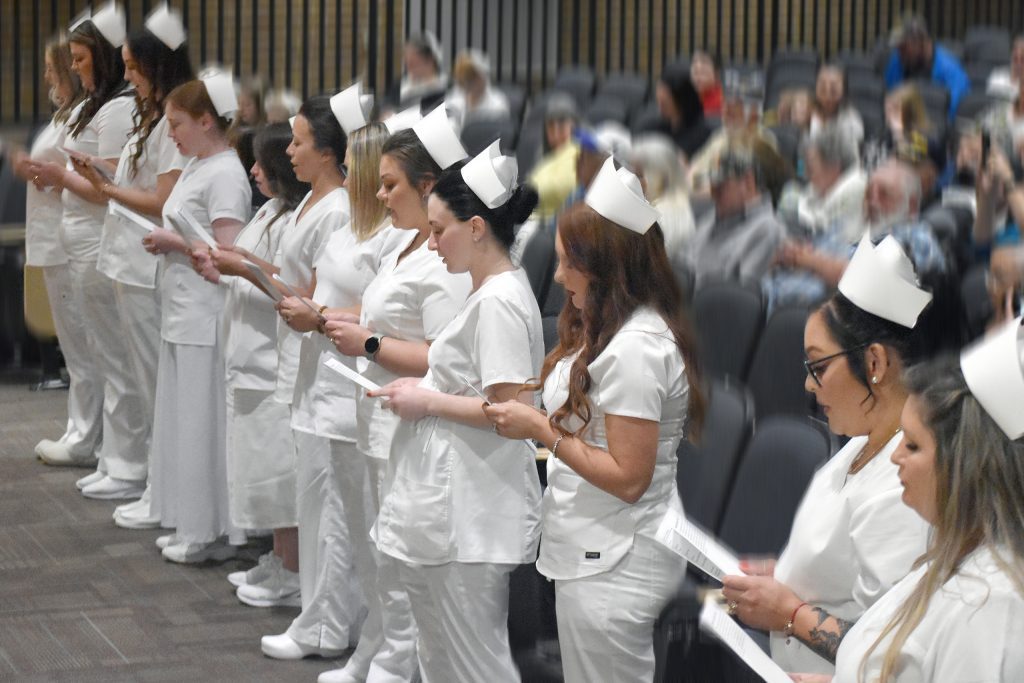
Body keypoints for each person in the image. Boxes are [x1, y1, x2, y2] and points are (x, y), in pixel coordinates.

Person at [483, 156, 704, 683]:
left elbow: (629, 478)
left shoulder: (637, 350)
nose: (556, 276)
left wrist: (543, 433)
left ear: (606, 267)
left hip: (620, 559)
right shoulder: (605, 325)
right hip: (595, 543)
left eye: (566, 263)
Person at [365, 142, 543, 682]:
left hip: (471, 514)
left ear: (477, 228)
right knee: (439, 657)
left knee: (474, 665)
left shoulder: (500, 302)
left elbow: (515, 411)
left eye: (440, 230)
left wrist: (428, 398)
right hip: (451, 502)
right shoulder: (485, 292)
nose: (433, 243)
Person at [722, 235, 936, 675]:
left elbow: (890, 651)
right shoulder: (860, 441)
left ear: (874, 364)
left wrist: (789, 613)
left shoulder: (907, 481)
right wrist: (782, 575)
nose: (808, 385)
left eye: (818, 367)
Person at [321, 108, 472, 682]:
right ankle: (379, 651)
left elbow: (442, 355)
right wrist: (331, 317)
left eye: (390, 185)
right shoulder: (404, 245)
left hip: (411, 421)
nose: (380, 197)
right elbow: (377, 313)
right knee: (376, 548)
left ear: (427, 187)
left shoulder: (446, 261)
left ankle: (398, 663)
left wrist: (369, 343)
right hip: (380, 413)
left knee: (403, 559)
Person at [803, 321, 1024, 681]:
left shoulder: (993, 604)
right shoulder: (950, 552)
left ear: (965, 466)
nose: (894, 457)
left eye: (914, 445)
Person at [71, 5, 193, 524]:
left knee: (152, 382)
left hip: (147, 263)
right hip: (126, 259)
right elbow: (137, 176)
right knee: (138, 376)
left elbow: (162, 198)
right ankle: (149, 477)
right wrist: (103, 168)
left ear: (156, 66)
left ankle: (154, 479)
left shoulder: (173, 119)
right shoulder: (150, 114)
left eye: (134, 67)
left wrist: (107, 189)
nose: (127, 76)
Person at [258, 94, 363, 660]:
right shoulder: (317, 207)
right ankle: (318, 616)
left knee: (331, 506)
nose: (289, 151)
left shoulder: (343, 211)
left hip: (335, 370)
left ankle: (325, 621)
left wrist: (308, 308)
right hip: (312, 361)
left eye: (299, 142)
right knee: (317, 499)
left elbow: (335, 297)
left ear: (329, 151)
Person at [143, 72, 252, 563]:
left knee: (201, 423)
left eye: (178, 123)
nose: (172, 135)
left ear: (207, 121)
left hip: (205, 314)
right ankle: (191, 519)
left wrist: (176, 242)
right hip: (182, 308)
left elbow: (231, 255)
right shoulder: (197, 165)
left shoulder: (226, 173)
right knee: (184, 419)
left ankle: (208, 529)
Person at [28, 8, 136, 496]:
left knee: (112, 356)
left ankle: (126, 460)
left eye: (81, 59)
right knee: (96, 352)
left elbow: (105, 187)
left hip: (96, 239)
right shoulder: (93, 106)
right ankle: (113, 454)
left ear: (105, 58)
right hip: (77, 238)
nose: (74, 69)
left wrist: (61, 176)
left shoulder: (116, 109)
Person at [206, 122, 308, 604]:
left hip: (270, 357)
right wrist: (226, 263)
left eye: (261, 164)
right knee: (257, 470)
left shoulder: (295, 220)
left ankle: (293, 567)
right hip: (246, 353)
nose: (252, 171)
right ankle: (278, 557)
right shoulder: (270, 210)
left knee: (276, 475)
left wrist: (240, 265)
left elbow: (288, 284)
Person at [10, 36, 88, 467]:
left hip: (67, 239)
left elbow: (82, 178)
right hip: (53, 237)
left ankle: (85, 435)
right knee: (75, 347)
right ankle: (80, 428)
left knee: (81, 348)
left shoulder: (78, 117)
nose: (45, 76)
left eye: (50, 67)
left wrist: (41, 174)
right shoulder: (64, 115)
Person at [766, 129, 868, 310]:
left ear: (834, 166)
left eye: (811, 165)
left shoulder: (855, 192)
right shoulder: (816, 194)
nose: (806, 172)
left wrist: (803, 257)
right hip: (799, 277)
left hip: (819, 294)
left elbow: (844, 267)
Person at [682, 143, 788, 288]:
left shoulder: (766, 230)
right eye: (712, 186)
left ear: (748, 182)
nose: (713, 194)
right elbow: (683, 266)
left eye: (721, 186)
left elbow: (738, 296)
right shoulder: (710, 220)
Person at [884, 13, 969, 119]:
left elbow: (953, 114)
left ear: (921, 42)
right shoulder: (896, 62)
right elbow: (890, 95)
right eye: (898, 48)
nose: (899, 52)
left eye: (904, 47)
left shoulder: (951, 71)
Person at [629, 133, 696, 261]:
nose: (632, 181)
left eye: (639, 175)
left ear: (661, 177)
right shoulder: (657, 207)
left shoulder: (664, 217)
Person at [527, 93, 581, 220]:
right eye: (551, 126)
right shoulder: (542, 156)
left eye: (562, 125)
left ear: (575, 125)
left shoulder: (582, 153)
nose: (556, 134)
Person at [655, 63, 714, 159]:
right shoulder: (658, 126)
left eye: (664, 103)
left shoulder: (701, 134)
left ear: (681, 100)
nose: (660, 108)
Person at [387, 31, 448, 112]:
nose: (409, 67)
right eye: (407, 61)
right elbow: (385, 106)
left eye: (413, 62)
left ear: (430, 60)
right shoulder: (399, 86)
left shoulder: (444, 89)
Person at [447, 49, 510, 126]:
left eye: (473, 76)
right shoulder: (454, 100)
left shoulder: (497, 103)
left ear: (483, 77)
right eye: (465, 77)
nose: (469, 82)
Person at [809, 64, 864, 146]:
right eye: (822, 88)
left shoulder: (852, 120)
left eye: (833, 89)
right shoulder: (806, 112)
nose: (827, 95)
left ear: (844, 90)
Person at [986, 34, 1024, 101]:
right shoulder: (997, 77)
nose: (1018, 64)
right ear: (1011, 57)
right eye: (1015, 59)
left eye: (1022, 60)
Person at [690, 49, 724, 117]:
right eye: (696, 74)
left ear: (716, 73)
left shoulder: (723, 100)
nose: (698, 65)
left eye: (702, 73)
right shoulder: (686, 97)